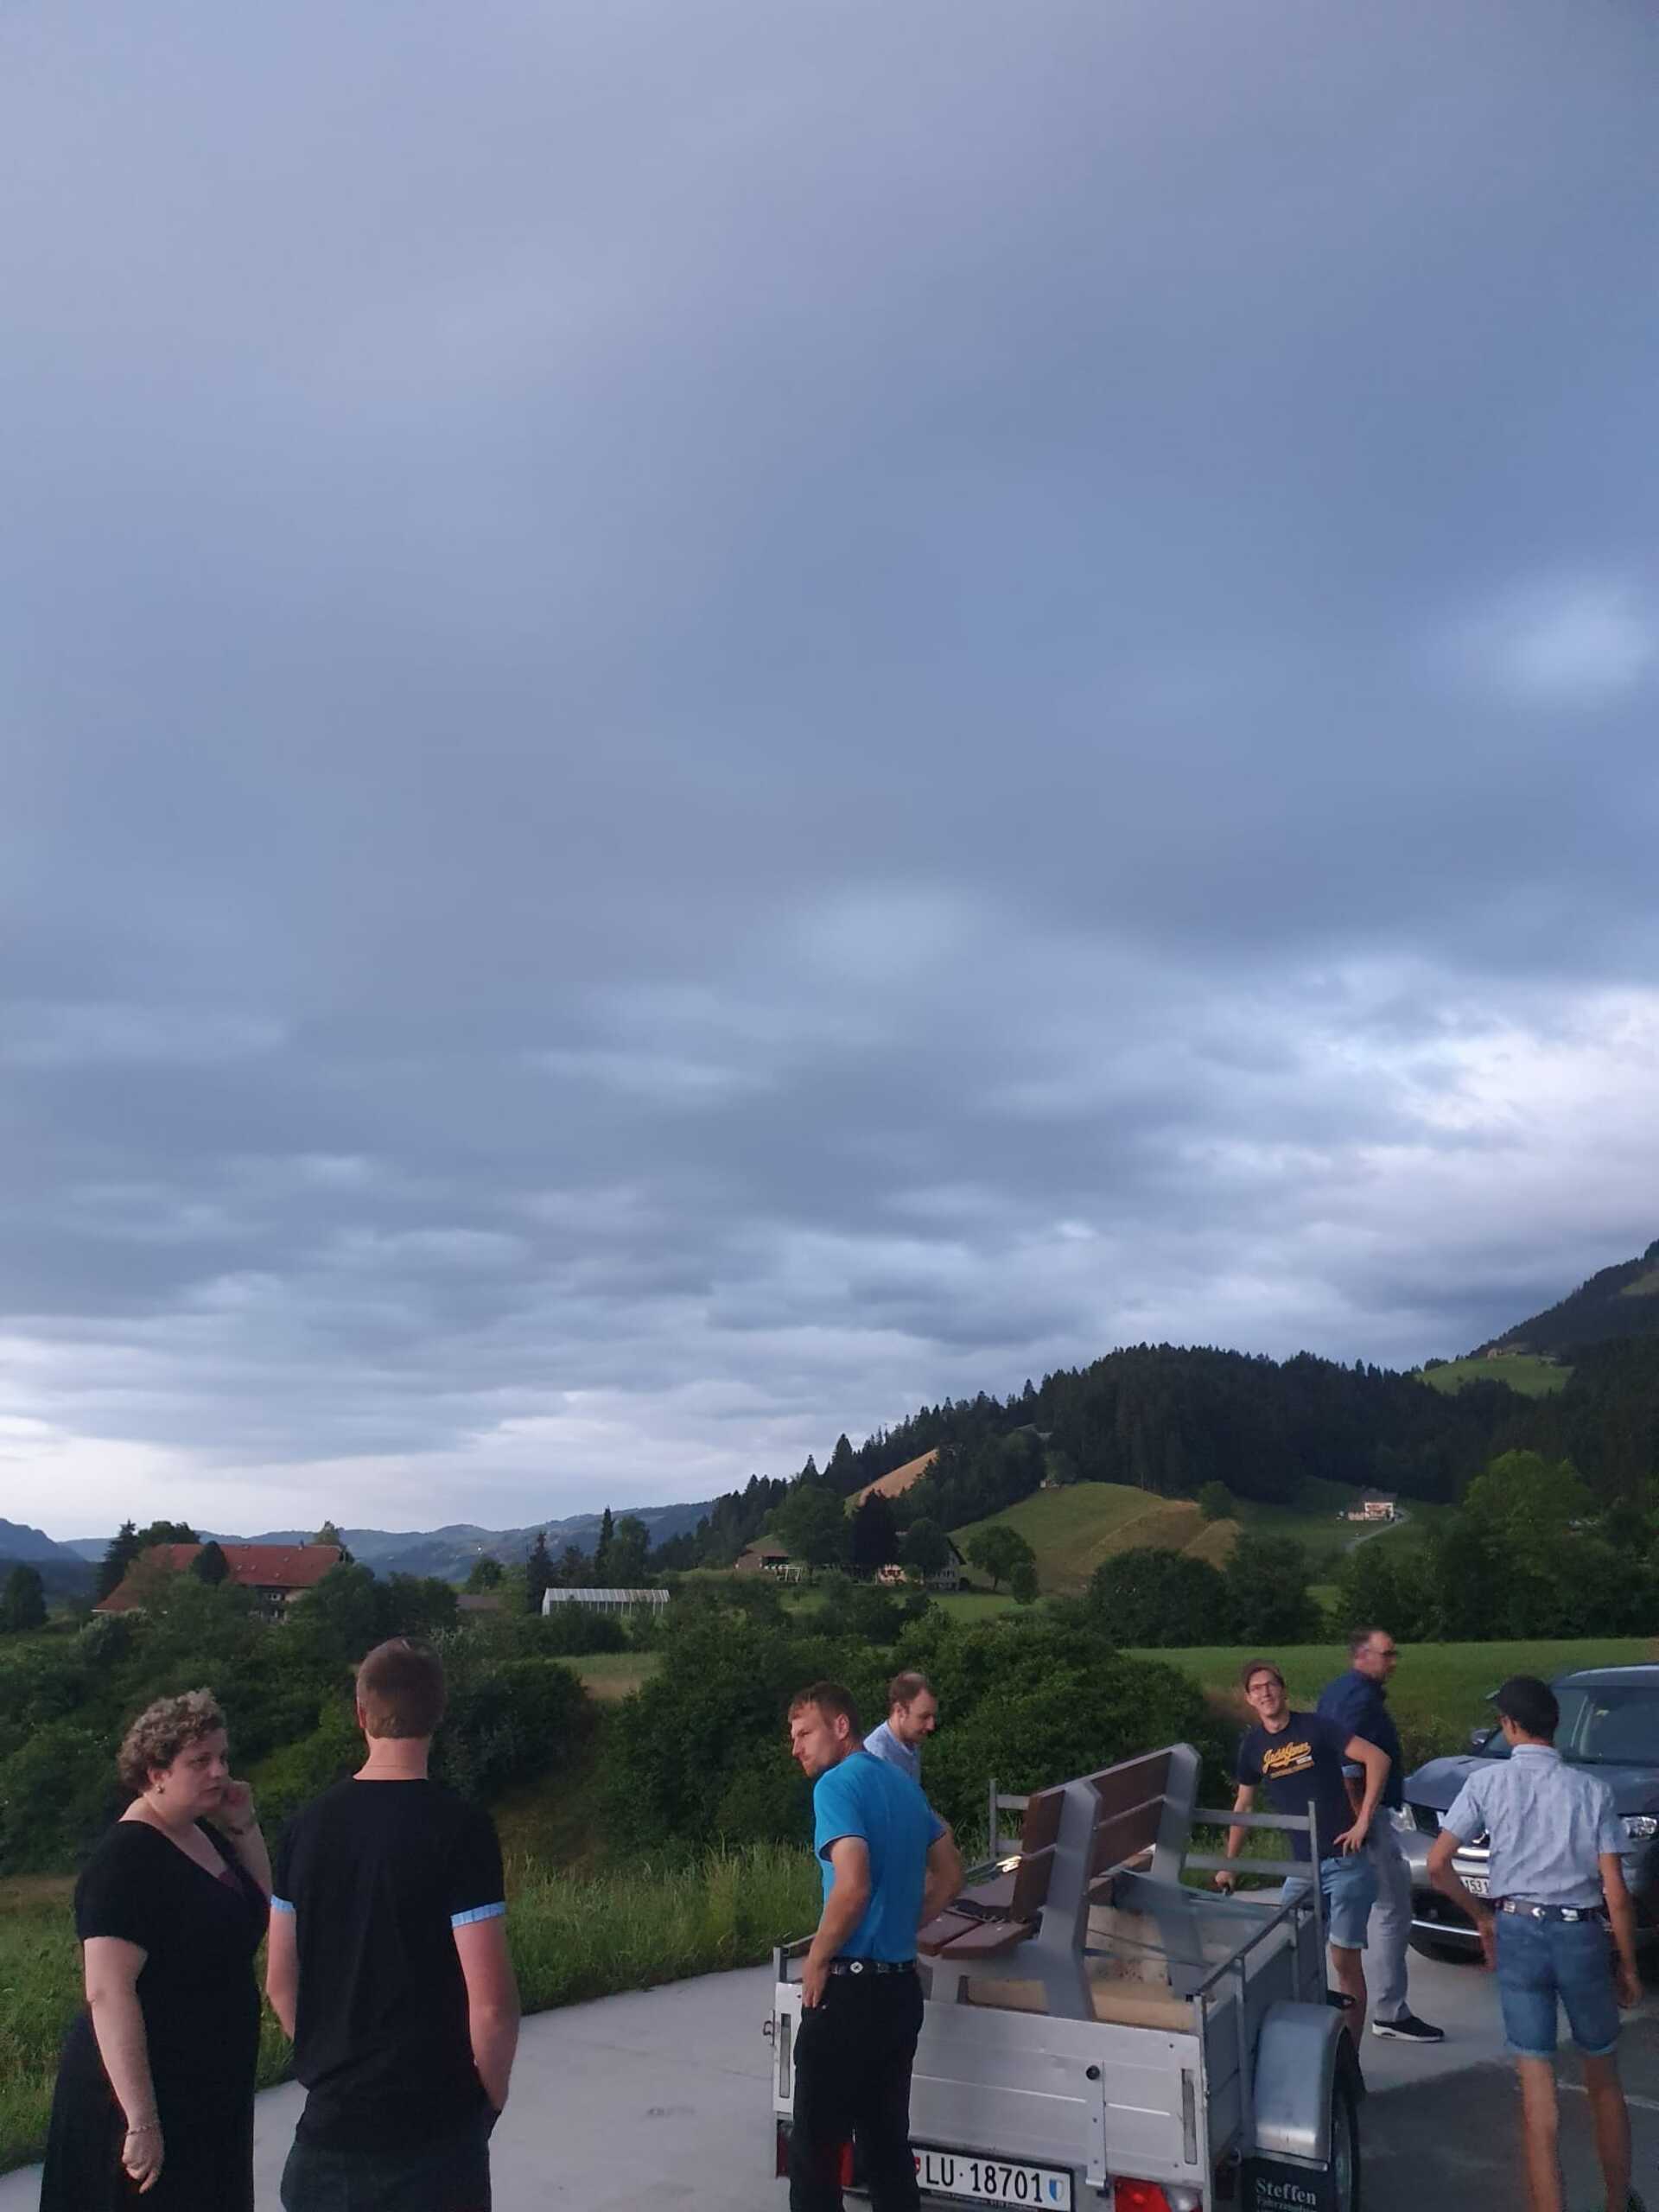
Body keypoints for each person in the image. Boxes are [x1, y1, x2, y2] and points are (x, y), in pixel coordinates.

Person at [266, 1637, 520, 2212]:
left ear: (361, 1714)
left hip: (326, 2139)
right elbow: (492, 2005)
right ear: (438, 1714)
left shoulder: (305, 1828)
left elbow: (280, 1983)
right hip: (432, 2140)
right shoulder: (461, 1829)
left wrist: (333, 2063)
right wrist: (489, 2100)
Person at [39, 1688, 271, 2211]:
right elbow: (108, 1992)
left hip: (206, 2085)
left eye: (222, 1757)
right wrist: (141, 2121)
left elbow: (258, 1908)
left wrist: (244, 1825)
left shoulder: (199, 1833)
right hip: (141, 2094)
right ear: (155, 1772)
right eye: (200, 1761)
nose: (219, 1772)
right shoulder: (125, 1861)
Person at [1427, 1675, 1645, 2212]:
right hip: (1580, 1934)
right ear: (1555, 1726)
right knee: (1603, 2077)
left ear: (1509, 1725)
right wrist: (1628, 1965)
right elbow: (1616, 1893)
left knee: (1538, 2092)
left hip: (1518, 1931)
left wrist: (1482, 1918)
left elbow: (1437, 1865)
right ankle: (1617, 2201)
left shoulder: (1486, 1784)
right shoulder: (1592, 1792)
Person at [786, 1680, 963, 2212]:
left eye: (804, 1733)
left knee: (816, 2153)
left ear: (841, 1726)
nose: (796, 1748)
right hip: (899, 1993)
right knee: (886, 2147)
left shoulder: (835, 1787)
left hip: (848, 1996)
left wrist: (817, 1958)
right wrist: (907, 1922)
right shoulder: (903, 1785)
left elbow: (853, 1886)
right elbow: (951, 1875)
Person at [1214, 1657, 1390, 2037]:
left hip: (1345, 1864)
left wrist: (1363, 1821)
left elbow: (1377, 1759)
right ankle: (1313, 2046)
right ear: (1249, 1698)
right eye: (1257, 1689)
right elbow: (1243, 1805)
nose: (1265, 1693)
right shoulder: (1253, 1745)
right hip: (1300, 1870)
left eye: (1270, 1685)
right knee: (1291, 1958)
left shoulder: (1317, 1727)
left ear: (1283, 1690)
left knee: (1343, 1961)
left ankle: (1350, 2058)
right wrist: (1229, 1864)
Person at [1317, 1625, 1444, 2044]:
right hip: (1365, 1822)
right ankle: (1391, 2011)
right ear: (1361, 1655)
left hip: (1341, 1818)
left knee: (1350, 1910)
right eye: (1387, 1654)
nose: (1393, 1662)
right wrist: (1364, 1820)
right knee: (1393, 1910)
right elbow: (1347, 1764)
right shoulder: (1358, 1699)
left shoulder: (1340, 1690)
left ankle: (1365, 2004)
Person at [862, 1671, 938, 1783]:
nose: (931, 1726)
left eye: (932, 1716)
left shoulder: (911, 1743)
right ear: (900, 1711)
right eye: (924, 1717)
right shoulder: (877, 1757)